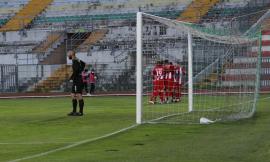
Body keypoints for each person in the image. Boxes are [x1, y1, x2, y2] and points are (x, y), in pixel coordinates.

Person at [67, 50, 86, 116]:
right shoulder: (76, 60)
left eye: (68, 53)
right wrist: (81, 70)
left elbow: (76, 71)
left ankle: (81, 112)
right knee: (72, 95)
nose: (67, 55)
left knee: (78, 94)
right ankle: (74, 111)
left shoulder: (75, 61)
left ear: (72, 54)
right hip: (76, 79)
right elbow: (84, 64)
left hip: (77, 80)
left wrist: (71, 78)